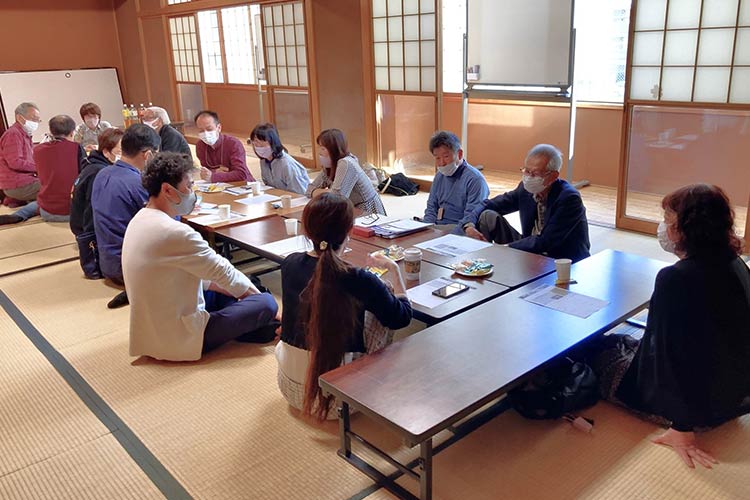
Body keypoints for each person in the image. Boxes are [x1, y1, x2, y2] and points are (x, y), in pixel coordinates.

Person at [591, 184, 750, 469]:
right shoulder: (735, 262)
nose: (662, 227)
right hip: (735, 394)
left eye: (667, 220)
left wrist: (682, 427)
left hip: (698, 409)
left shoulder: (676, 278)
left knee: (595, 356)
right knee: (620, 341)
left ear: (687, 227)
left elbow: (671, 355)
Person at [124, 152, 279, 361]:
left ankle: (256, 323)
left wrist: (241, 293)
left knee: (240, 287)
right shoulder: (174, 232)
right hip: (178, 336)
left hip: (155, 324)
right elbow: (222, 270)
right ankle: (262, 323)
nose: (193, 192)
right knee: (266, 302)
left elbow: (206, 275)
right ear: (167, 190)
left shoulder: (140, 219)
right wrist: (267, 307)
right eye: (189, 186)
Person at [276, 193, 412, 419]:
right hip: (342, 400)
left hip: (291, 389)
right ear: (349, 230)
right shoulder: (358, 278)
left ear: (307, 230)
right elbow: (402, 317)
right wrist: (395, 271)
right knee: (384, 295)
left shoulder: (289, 263)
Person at [463, 144, 590, 262]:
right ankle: (482, 263)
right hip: (531, 248)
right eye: (526, 171)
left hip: (560, 258)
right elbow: (489, 204)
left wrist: (505, 248)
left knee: (512, 251)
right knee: (487, 215)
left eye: (535, 173)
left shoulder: (569, 198)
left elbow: (546, 241)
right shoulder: (525, 189)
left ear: (553, 176)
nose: (528, 177)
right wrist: (469, 225)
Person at [91, 124, 158, 293]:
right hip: (131, 269)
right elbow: (163, 222)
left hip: (106, 263)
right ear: (148, 155)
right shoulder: (137, 183)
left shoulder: (102, 173)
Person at [0, 115, 85, 225]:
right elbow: (84, 177)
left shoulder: (38, 150)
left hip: (46, 211)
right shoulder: (76, 148)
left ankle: (19, 215)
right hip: (73, 212)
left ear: (51, 131)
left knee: (44, 197)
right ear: (72, 133)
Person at [70, 128, 124, 278]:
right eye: (121, 151)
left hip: (78, 222)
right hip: (86, 228)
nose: (124, 155)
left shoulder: (92, 163)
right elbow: (91, 211)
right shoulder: (100, 173)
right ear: (106, 152)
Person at [306, 129, 386, 215]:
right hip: (349, 210)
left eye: (323, 149)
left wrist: (322, 192)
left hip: (367, 212)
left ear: (334, 149)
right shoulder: (330, 166)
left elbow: (336, 198)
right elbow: (309, 190)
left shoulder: (346, 163)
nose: (319, 153)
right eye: (319, 148)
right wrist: (329, 191)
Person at [422, 131, 489, 232]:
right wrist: (425, 230)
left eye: (446, 156)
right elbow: (431, 208)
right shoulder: (439, 176)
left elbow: (471, 218)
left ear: (460, 154)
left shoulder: (475, 180)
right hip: (437, 228)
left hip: (460, 230)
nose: (442, 163)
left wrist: (447, 235)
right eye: (437, 158)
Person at [0, 102, 42, 207]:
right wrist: (39, 167)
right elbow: (15, 162)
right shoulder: (13, 134)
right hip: (18, 183)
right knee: (56, 187)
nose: (36, 123)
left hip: (23, 181)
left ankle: (16, 200)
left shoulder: (24, 134)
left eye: (38, 120)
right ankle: (21, 206)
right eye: (34, 119)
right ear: (19, 117)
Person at [194, 110, 253, 183]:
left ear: (219, 128)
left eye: (209, 129)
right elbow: (206, 171)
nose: (205, 133)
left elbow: (241, 174)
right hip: (218, 185)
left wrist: (213, 176)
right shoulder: (200, 146)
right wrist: (215, 172)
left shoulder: (233, 144)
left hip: (243, 185)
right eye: (201, 131)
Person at [250, 123, 310, 194]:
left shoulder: (287, 165)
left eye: (261, 143)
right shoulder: (264, 161)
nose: (257, 146)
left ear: (273, 142)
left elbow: (300, 194)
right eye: (255, 143)